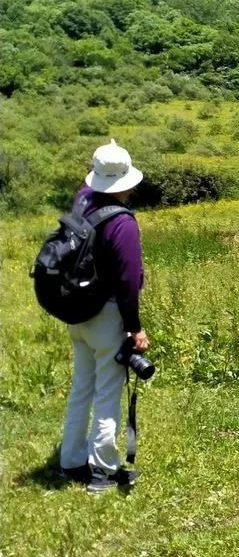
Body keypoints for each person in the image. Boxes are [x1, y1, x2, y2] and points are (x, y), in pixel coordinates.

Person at [59, 139, 150, 494]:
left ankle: (70, 461)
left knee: (82, 386)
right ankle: (104, 471)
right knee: (109, 390)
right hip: (106, 314)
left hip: (76, 311)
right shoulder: (122, 223)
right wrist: (134, 328)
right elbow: (128, 281)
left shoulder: (82, 200)